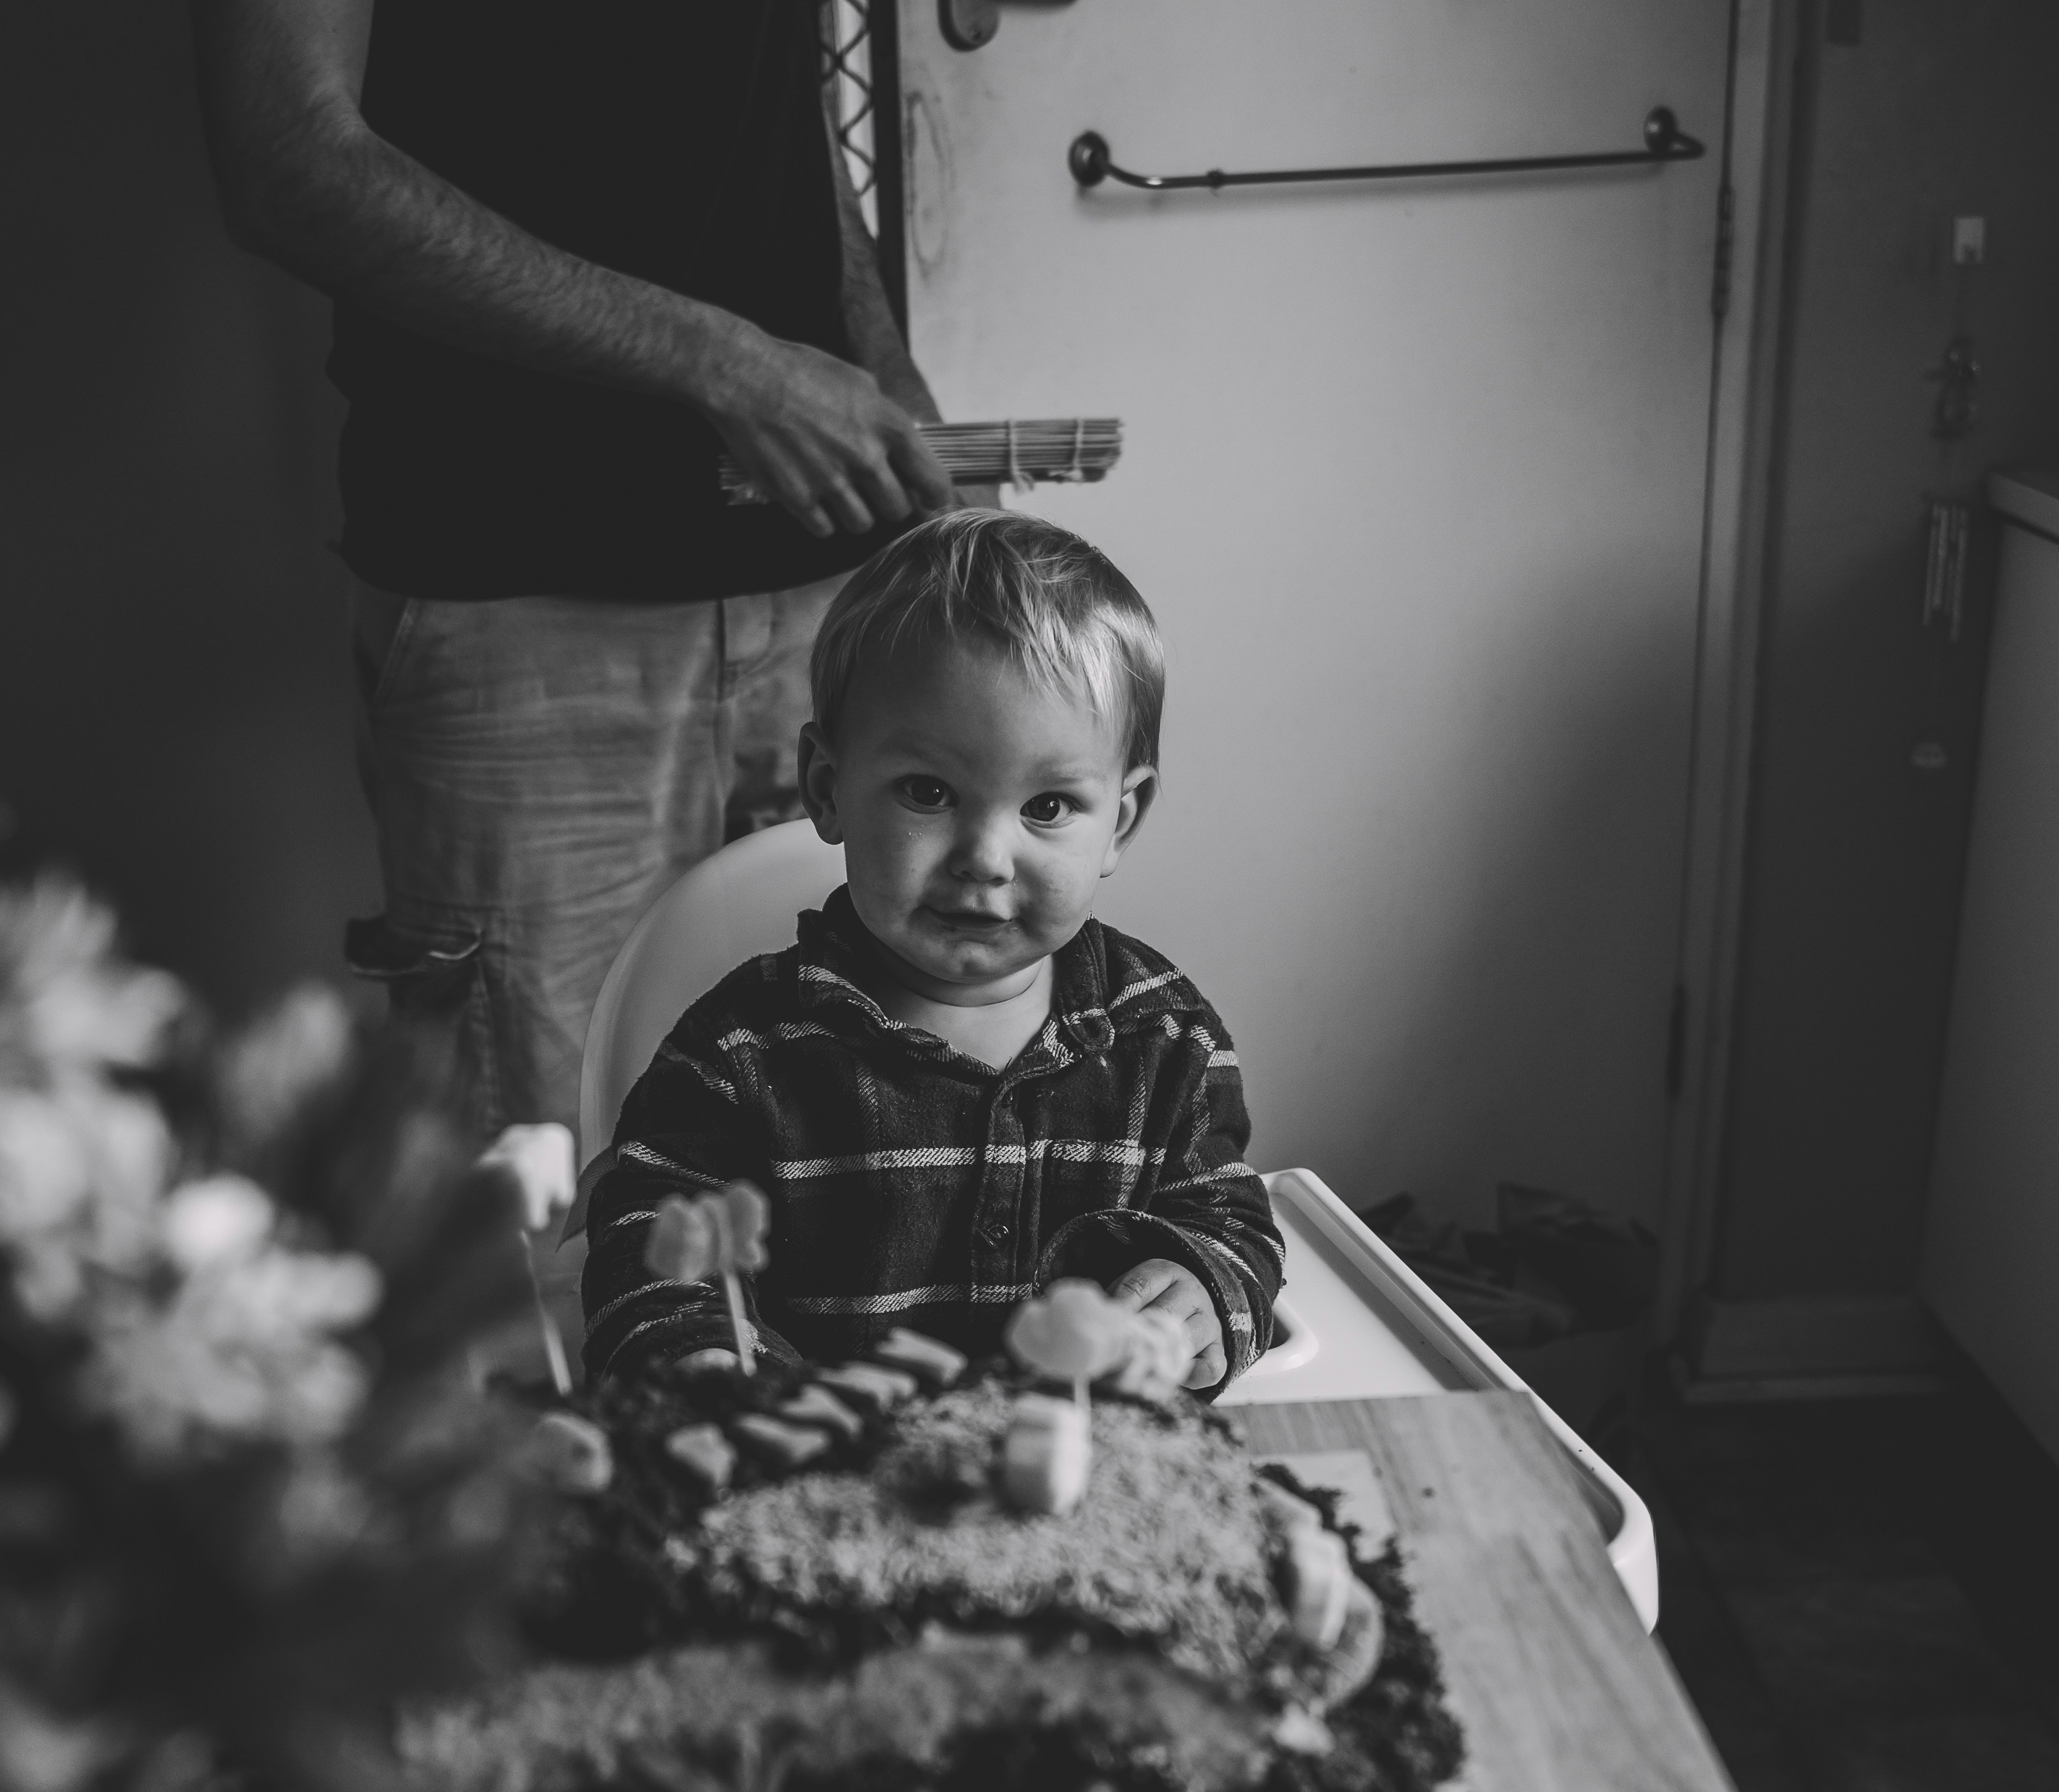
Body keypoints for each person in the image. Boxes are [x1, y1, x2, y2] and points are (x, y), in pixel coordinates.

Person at [194, 0, 955, 1130]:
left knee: (850, 1157)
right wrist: (726, 366)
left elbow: (781, 120)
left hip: (827, 597)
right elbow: (286, 154)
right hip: (523, 598)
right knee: (548, 1189)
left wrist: (889, 381)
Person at [581, 511, 1281, 1392]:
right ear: (828, 790)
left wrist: (1204, 1293)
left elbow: (1231, 1218)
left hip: (1087, 1479)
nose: (985, 859)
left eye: (1050, 806)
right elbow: (645, 1255)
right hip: (818, 1486)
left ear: (1121, 823)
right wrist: (713, 1371)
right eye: (929, 792)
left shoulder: (1168, 1041)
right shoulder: (737, 1059)